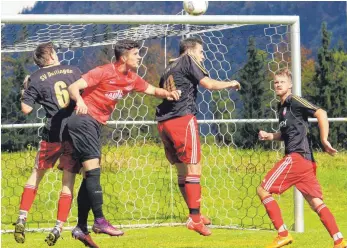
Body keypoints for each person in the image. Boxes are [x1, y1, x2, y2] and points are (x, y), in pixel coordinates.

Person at [66, 39, 181, 240]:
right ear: (124, 56)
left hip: (93, 124)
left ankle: (81, 227)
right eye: (136, 54)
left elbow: (153, 90)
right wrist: (81, 101)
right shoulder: (103, 71)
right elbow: (73, 87)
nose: (139, 57)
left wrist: (169, 94)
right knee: (93, 172)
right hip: (83, 119)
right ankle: (99, 221)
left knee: (89, 175)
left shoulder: (131, 78)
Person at [15, 42, 98, 247]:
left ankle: (22, 218)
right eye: (55, 52)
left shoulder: (34, 78)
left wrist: (26, 91)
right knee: (67, 182)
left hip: (52, 133)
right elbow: (84, 92)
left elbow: (26, 109)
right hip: (73, 133)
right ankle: (58, 227)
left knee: (37, 173)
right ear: (51, 56)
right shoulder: (73, 70)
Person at [155, 36, 241, 236]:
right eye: (201, 52)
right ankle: (194, 219)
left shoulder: (169, 67)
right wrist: (230, 83)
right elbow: (208, 84)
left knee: (182, 171)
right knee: (194, 168)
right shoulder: (188, 59)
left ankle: (196, 214)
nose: (203, 57)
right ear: (191, 50)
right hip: (182, 119)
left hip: (163, 122)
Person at [257, 68, 346, 248]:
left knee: (263, 190)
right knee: (316, 203)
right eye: (276, 82)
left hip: (297, 157)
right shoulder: (281, 108)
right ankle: (339, 241)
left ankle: (282, 234)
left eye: (282, 81)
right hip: (305, 162)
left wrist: (324, 139)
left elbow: (321, 113)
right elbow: (286, 134)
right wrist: (270, 136)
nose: (278, 84)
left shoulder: (294, 101)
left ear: (290, 85)